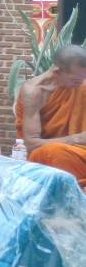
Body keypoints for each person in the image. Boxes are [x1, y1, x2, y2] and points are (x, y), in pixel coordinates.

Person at [14, 43, 86, 188]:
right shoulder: (34, 92)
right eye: (75, 80)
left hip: (80, 153)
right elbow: (31, 143)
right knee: (53, 153)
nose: (80, 84)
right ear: (57, 71)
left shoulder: (82, 86)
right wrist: (76, 139)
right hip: (51, 156)